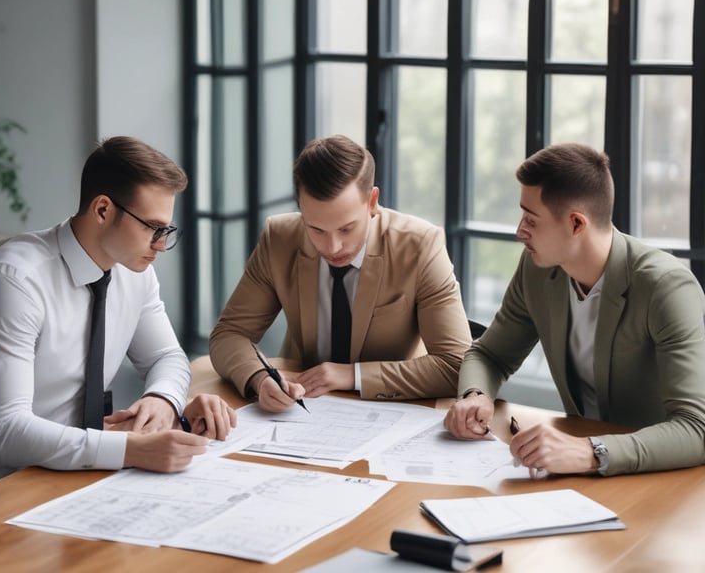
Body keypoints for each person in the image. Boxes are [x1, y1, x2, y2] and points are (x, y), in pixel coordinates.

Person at [0, 136, 236, 501]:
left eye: (166, 231)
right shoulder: (14, 280)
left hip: (81, 474)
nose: (161, 245)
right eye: (152, 228)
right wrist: (131, 449)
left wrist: (162, 399)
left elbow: (167, 357)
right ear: (102, 210)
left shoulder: (135, 272)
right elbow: (8, 431)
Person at [444, 142, 705, 476]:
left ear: (577, 224)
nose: (520, 231)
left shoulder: (665, 287)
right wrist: (474, 395)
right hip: (580, 474)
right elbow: (490, 355)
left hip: (662, 477)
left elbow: (696, 428)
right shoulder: (537, 269)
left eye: (531, 220)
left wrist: (592, 452)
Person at [208, 134, 472, 412]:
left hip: (389, 409)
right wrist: (260, 378)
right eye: (316, 229)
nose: (332, 247)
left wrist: (350, 375)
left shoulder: (420, 245)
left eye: (346, 228)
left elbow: (457, 366)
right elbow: (228, 334)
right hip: (301, 407)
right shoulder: (279, 238)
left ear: (372, 201)